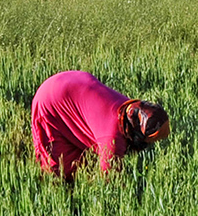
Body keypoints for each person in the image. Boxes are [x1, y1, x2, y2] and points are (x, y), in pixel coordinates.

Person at [30, 70, 170, 179]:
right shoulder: (113, 138)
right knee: (59, 173)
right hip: (51, 100)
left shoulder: (129, 109)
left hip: (73, 83)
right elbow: (110, 183)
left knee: (83, 164)